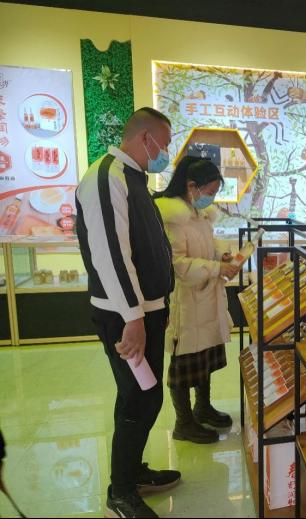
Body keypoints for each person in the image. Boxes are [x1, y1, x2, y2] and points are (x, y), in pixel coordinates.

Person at [76, 107, 179, 518]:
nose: (166, 153)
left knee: (142, 396)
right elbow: (110, 255)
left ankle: (132, 472)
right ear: (145, 139)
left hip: (145, 311)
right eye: (165, 144)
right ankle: (120, 492)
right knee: (141, 397)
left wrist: (159, 306)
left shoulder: (135, 179)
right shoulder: (106, 177)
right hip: (124, 316)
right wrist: (134, 318)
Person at [154, 157, 239, 444]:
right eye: (210, 192)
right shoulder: (173, 218)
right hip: (187, 302)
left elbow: (207, 246)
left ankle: (203, 407)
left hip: (207, 297)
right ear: (192, 186)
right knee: (184, 363)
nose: (211, 198)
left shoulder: (198, 213)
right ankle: (183, 422)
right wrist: (216, 268)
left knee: (205, 357)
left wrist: (221, 256)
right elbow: (178, 265)